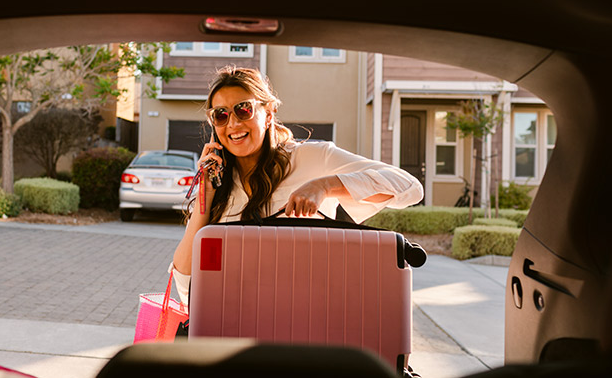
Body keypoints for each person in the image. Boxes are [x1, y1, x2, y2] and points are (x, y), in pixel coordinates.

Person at [170, 65, 423, 305]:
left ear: (268, 113)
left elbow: (409, 188)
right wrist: (206, 194)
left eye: (243, 109)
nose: (233, 124)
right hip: (234, 323)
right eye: (221, 115)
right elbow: (185, 285)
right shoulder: (218, 185)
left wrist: (325, 186)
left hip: (304, 322)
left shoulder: (311, 158)